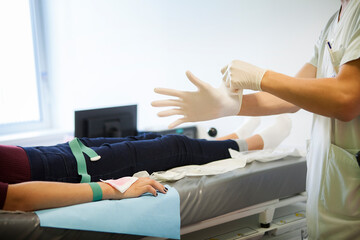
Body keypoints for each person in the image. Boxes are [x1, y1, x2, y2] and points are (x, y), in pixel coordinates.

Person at [152, 1, 360, 239]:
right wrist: (229, 106)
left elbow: (347, 98)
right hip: (330, 202)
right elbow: (294, 97)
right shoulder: (334, 21)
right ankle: (248, 138)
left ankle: (249, 140)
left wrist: (262, 77)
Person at [0, 116, 291, 212]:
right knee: (174, 148)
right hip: (67, 170)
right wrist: (112, 190)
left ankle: (226, 141)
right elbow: (18, 197)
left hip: (58, 153)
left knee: (147, 138)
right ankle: (252, 145)